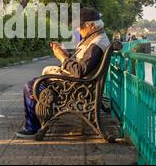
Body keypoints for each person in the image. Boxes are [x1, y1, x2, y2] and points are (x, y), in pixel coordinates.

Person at [16, 7, 110, 139]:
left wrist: (62, 58)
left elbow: (79, 71)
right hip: (79, 84)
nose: (78, 29)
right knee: (36, 82)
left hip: (78, 87)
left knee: (31, 86)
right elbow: (82, 65)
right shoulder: (96, 38)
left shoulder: (96, 43)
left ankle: (32, 127)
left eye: (80, 26)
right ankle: (38, 119)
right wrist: (67, 54)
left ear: (92, 26)